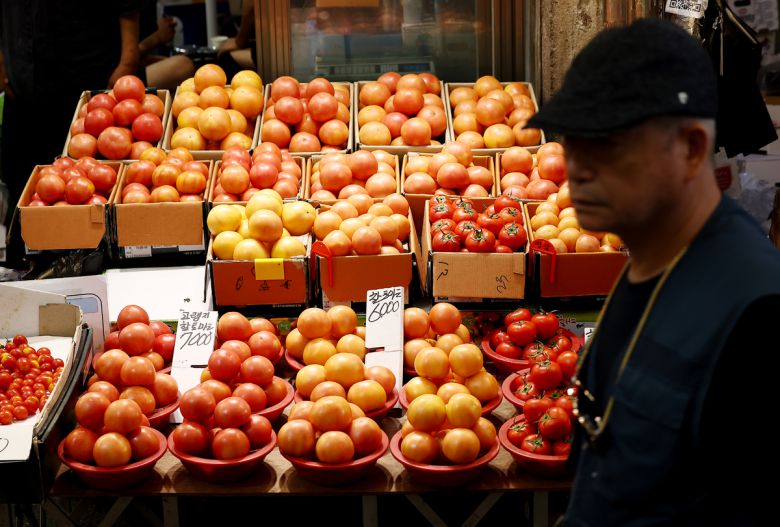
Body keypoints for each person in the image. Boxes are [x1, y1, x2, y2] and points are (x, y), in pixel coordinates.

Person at [527, 18, 780, 526]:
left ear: (689, 149)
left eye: (608, 144)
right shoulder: (646, 256)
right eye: (573, 140)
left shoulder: (757, 314)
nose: (577, 166)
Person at [0, 0, 141, 222]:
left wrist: (129, 60)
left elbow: (128, 6)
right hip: (23, 86)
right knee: (22, 187)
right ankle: (22, 250)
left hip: (87, 83)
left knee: (94, 193)